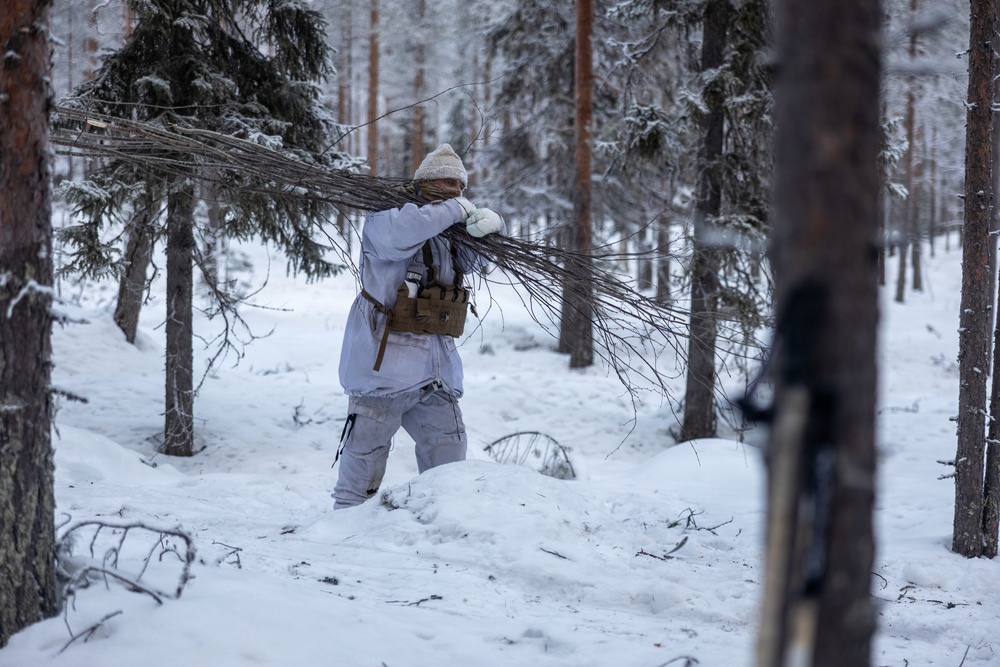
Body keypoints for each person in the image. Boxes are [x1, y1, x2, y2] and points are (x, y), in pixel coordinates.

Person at [333, 144, 505, 509]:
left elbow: (468, 262)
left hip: (434, 370)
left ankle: (437, 517)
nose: (456, 190)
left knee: (449, 451)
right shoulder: (388, 217)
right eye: (446, 182)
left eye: (461, 185)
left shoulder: (446, 229)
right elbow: (404, 234)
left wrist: (488, 234)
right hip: (384, 367)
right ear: (425, 181)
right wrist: (455, 210)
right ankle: (343, 527)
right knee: (365, 457)